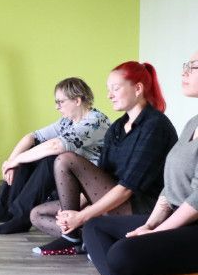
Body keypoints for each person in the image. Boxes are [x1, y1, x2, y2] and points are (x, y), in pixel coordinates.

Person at [83, 52, 198, 275]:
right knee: (94, 227)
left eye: (194, 66)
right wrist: (151, 224)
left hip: (193, 225)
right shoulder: (192, 123)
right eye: (186, 65)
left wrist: (156, 232)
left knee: (121, 253)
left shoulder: (156, 124)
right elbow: (170, 187)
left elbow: (196, 201)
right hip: (176, 217)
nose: (184, 71)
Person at [29, 61, 178, 255]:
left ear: (138, 89)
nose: (109, 95)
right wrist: (71, 212)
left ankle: (73, 237)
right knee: (37, 214)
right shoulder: (117, 128)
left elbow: (126, 189)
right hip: (113, 199)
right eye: (108, 90)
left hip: (141, 209)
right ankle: (86, 238)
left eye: (115, 88)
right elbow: (101, 176)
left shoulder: (155, 126)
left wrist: (81, 216)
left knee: (65, 159)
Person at [0, 77, 110, 234]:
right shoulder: (68, 121)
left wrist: (16, 160)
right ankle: (4, 209)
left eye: (60, 102)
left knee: (52, 158)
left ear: (77, 100)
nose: (57, 107)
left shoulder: (94, 121)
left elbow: (56, 146)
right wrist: (11, 162)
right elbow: (32, 137)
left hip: (86, 185)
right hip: (68, 177)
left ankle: (21, 217)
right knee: (31, 151)